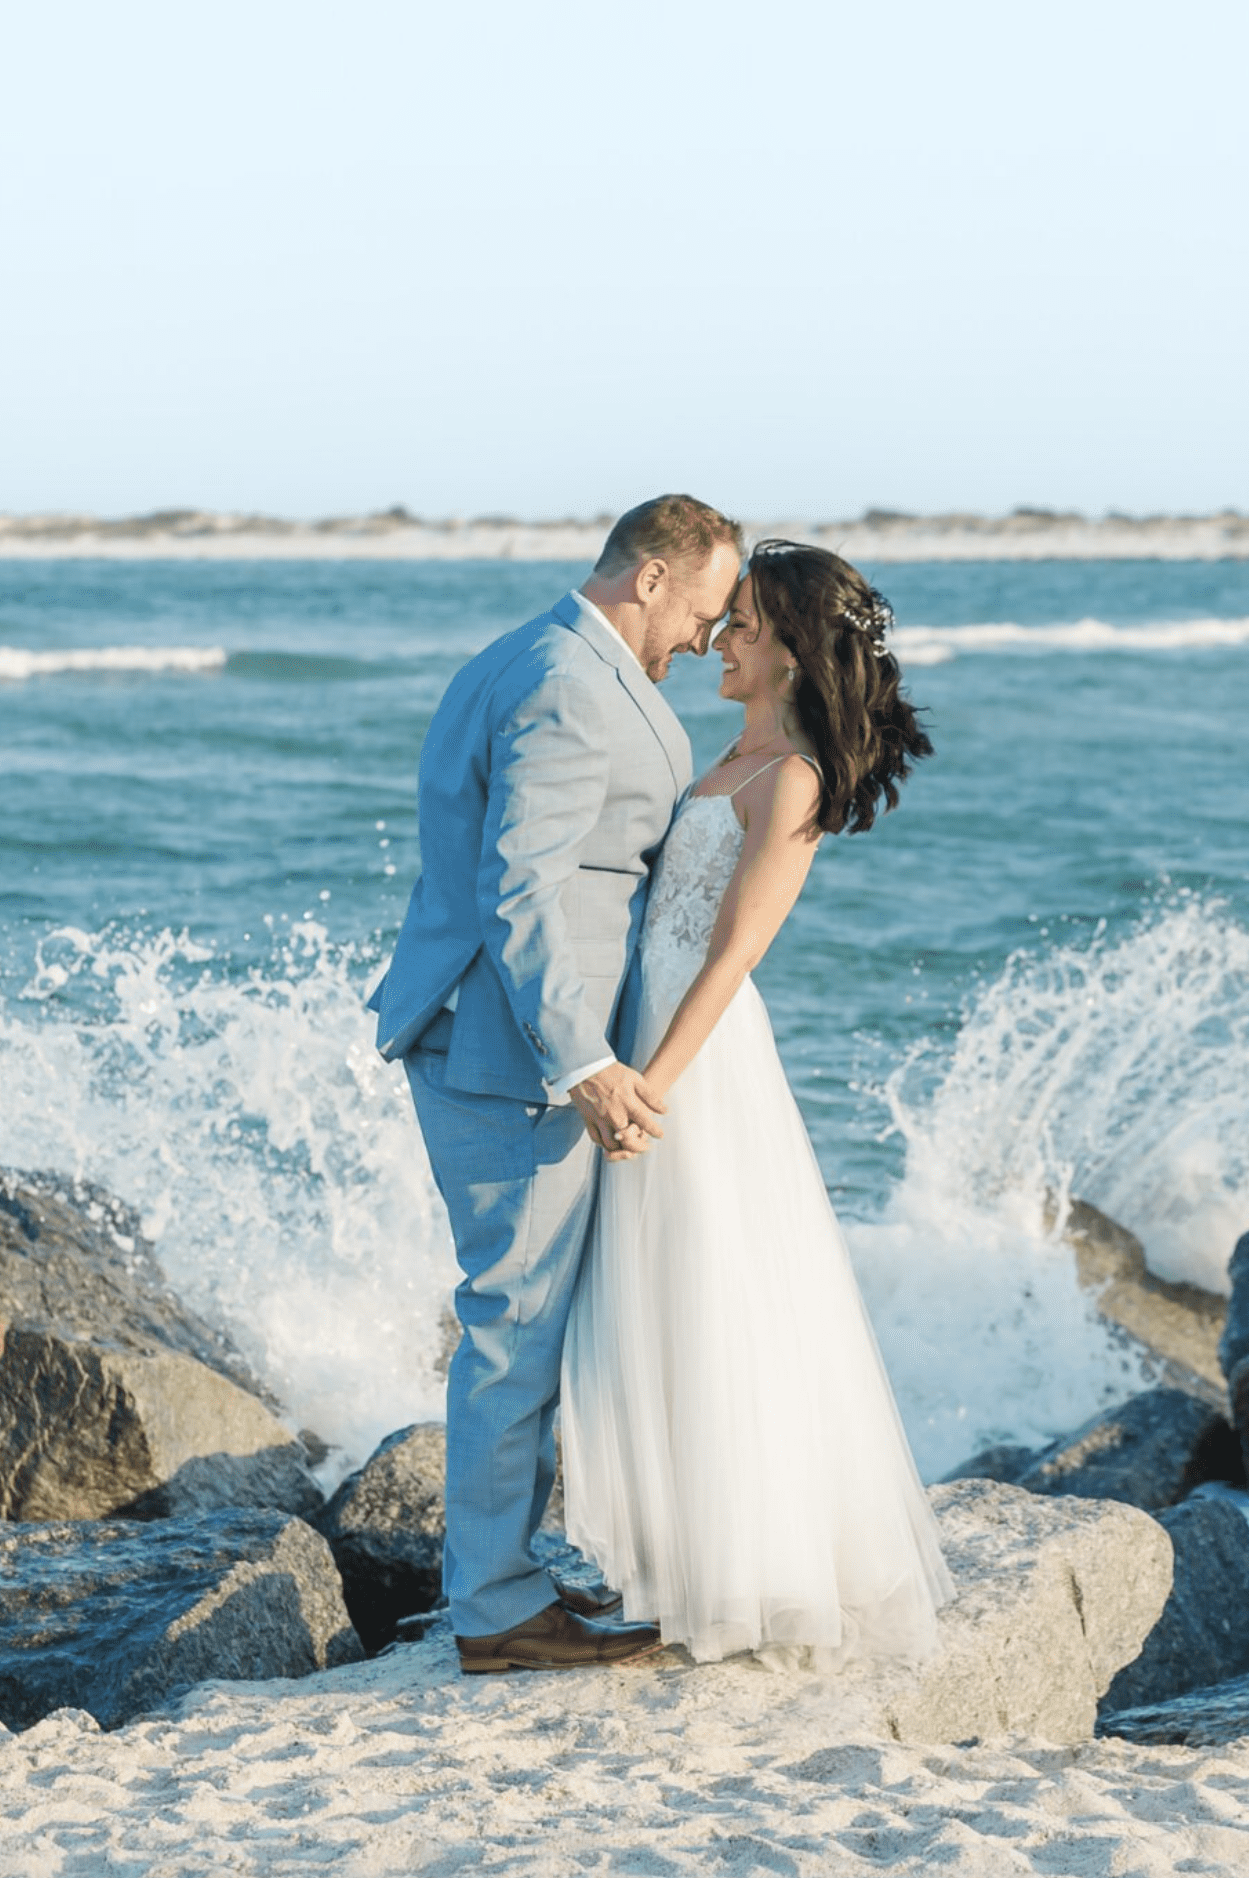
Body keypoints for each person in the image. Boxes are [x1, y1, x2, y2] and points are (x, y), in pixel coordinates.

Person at [560, 538, 951, 1667]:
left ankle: (730, 1578)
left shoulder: (793, 779)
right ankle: (666, 1572)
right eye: (724, 621)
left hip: (696, 1060)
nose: (719, 638)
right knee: (649, 1305)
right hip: (644, 1035)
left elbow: (731, 954)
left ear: (786, 649)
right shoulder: (722, 754)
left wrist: (651, 1089)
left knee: (705, 1300)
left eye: (740, 625)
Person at [369, 493, 742, 1673]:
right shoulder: (565, 683)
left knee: (520, 1323)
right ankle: (490, 1609)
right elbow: (521, 888)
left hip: (510, 1039)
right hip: (509, 1052)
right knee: (510, 1323)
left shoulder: (541, 655)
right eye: (703, 608)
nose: (703, 635)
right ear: (649, 578)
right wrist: (580, 1060)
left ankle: (511, 1580)